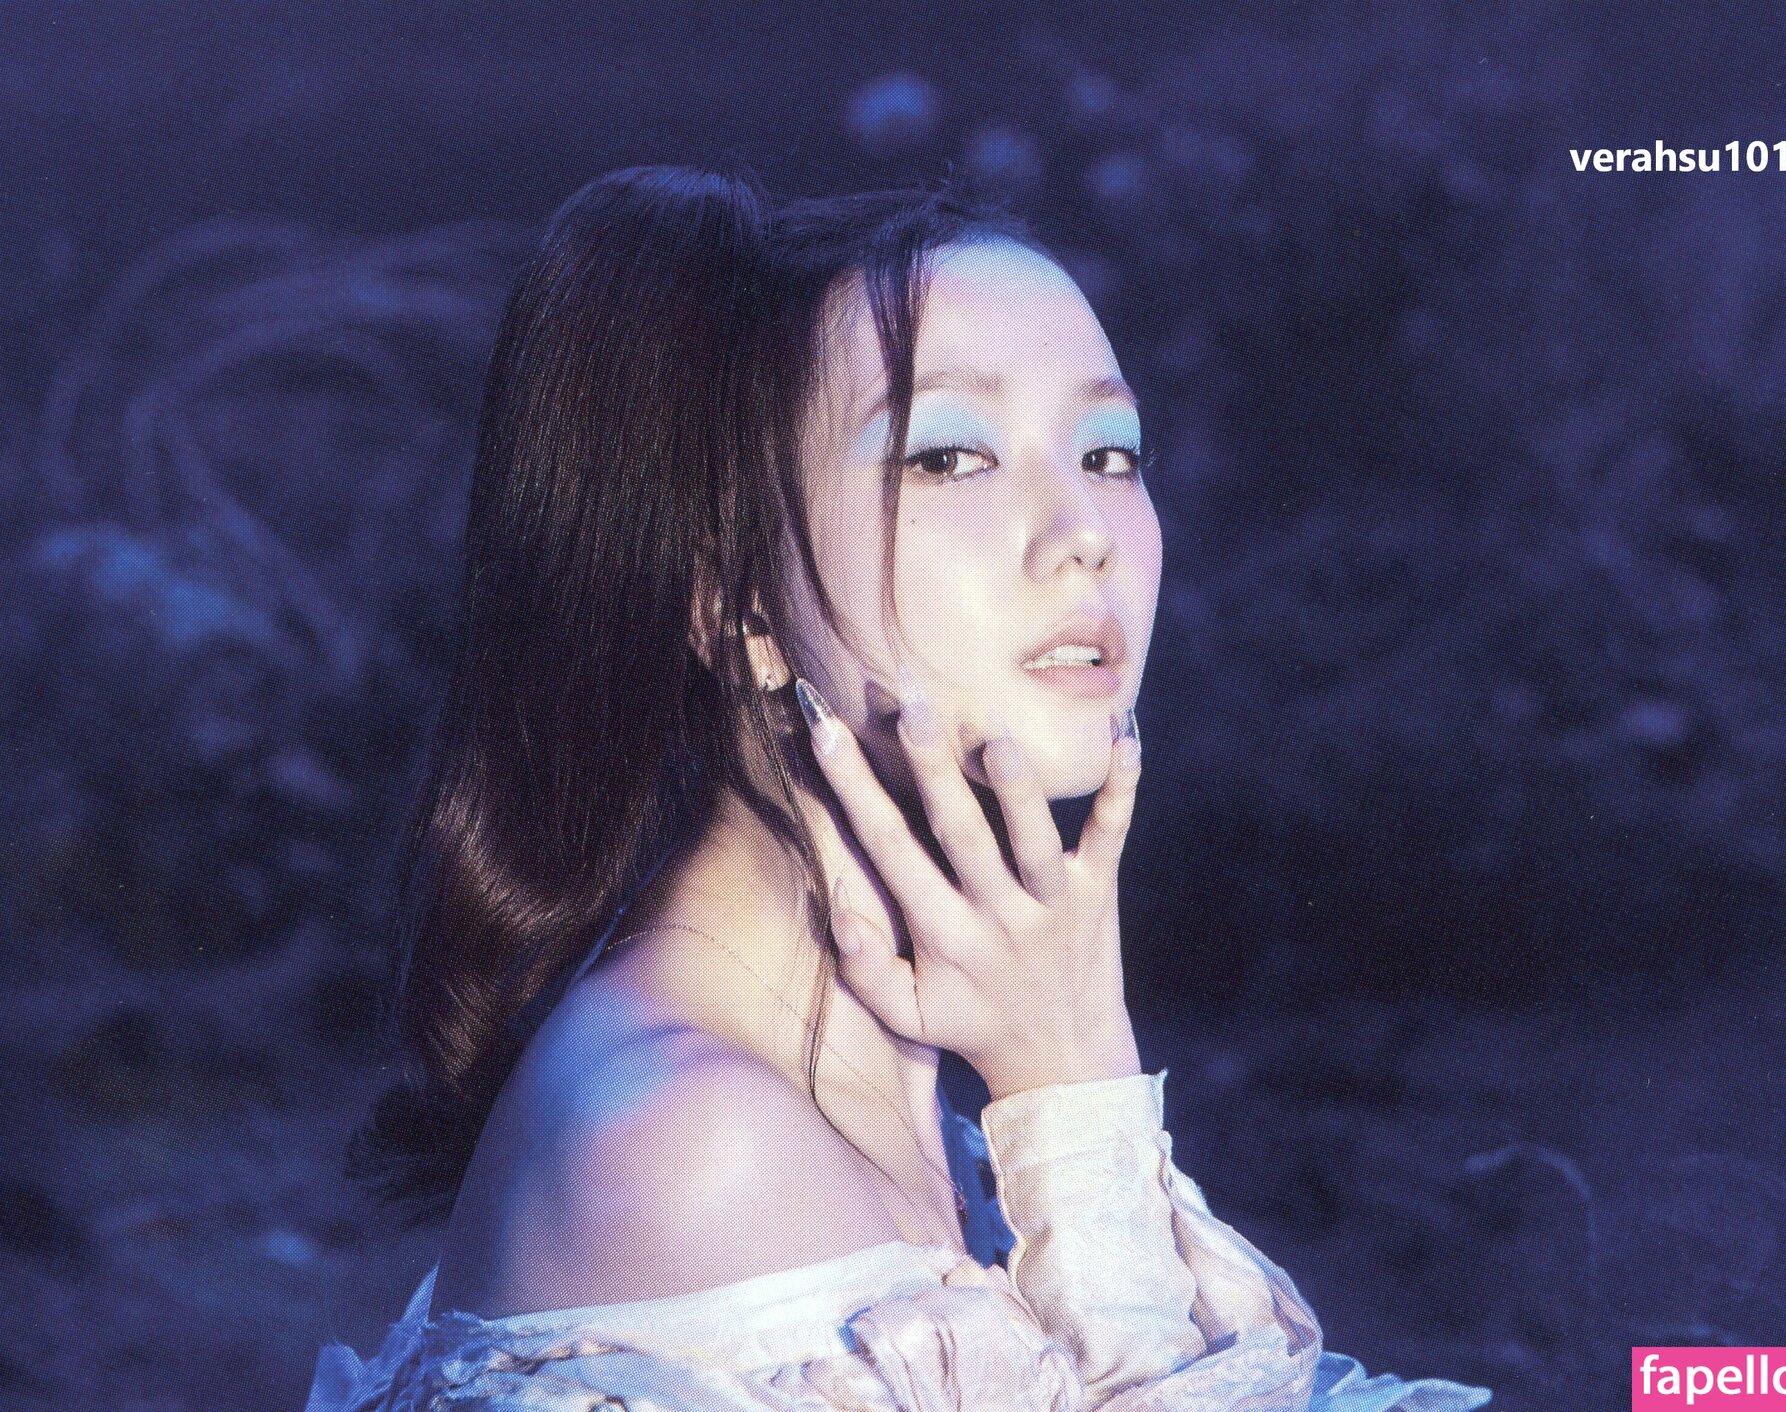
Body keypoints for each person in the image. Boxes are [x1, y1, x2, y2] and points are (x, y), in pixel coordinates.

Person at [304, 165, 1493, 1410]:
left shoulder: (882, 1088)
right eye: (950, 455)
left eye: (1110, 451)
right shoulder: (699, 1144)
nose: (1085, 530)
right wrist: (1075, 1091)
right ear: (733, 599)